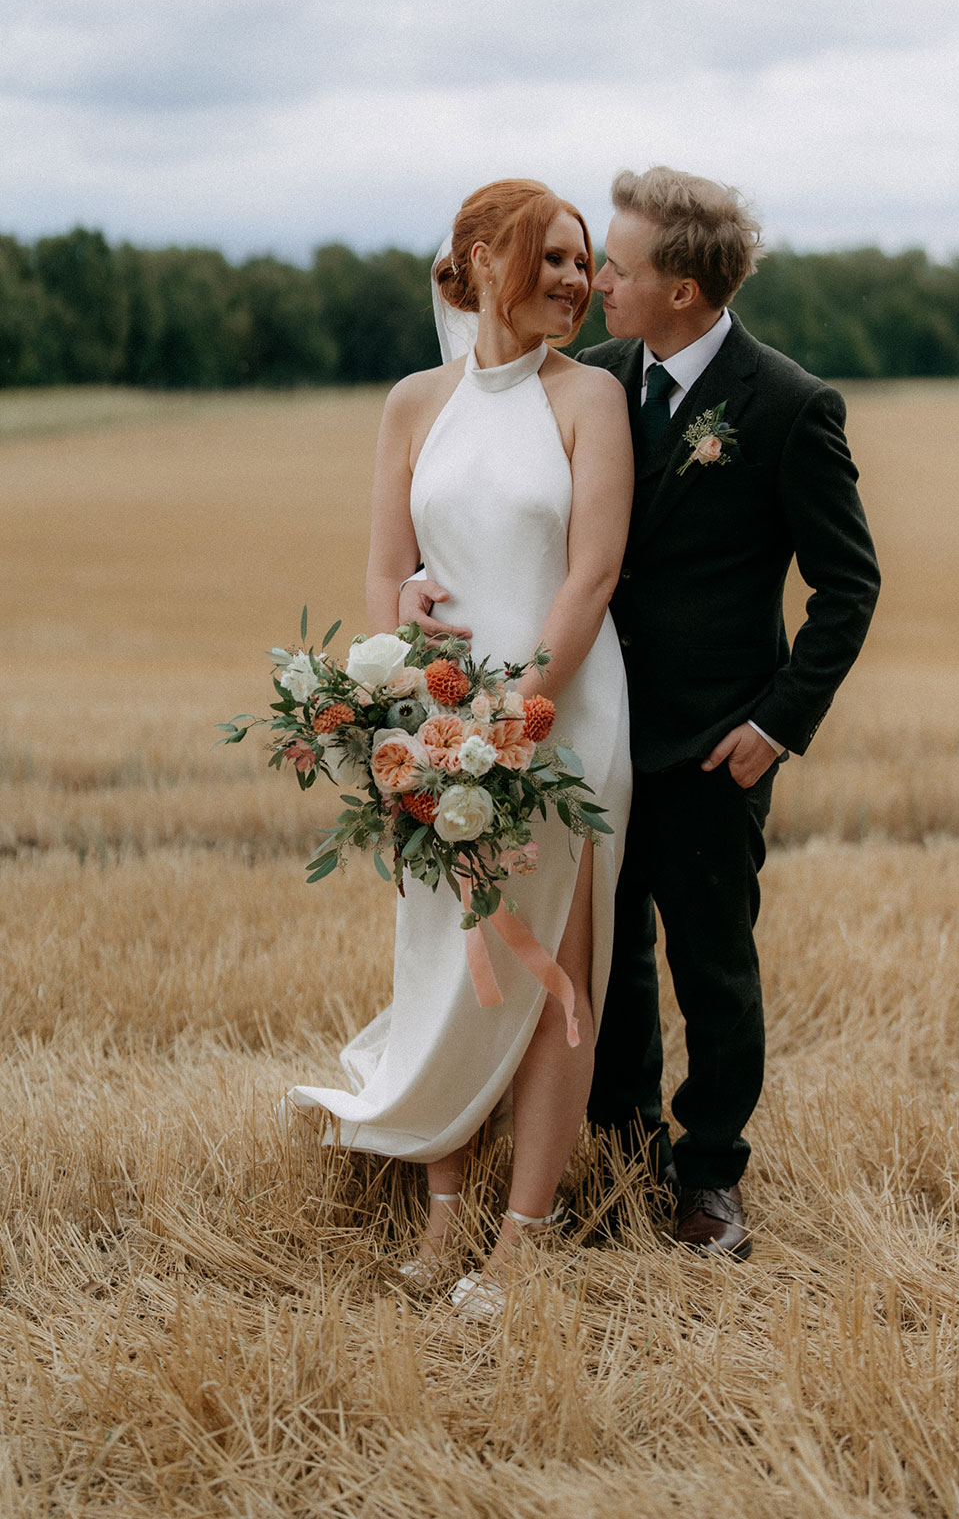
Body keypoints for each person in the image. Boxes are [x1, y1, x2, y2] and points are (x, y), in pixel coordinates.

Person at [287, 180, 633, 1315]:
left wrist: (524, 717)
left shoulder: (589, 400)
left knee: (553, 980)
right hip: (441, 722)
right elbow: (386, 575)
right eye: (555, 258)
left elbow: (589, 576)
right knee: (449, 962)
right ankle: (446, 1225)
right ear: (483, 259)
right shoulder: (412, 404)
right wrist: (405, 655)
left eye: (586, 264)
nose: (578, 281)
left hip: (564, 720)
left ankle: (523, 1241)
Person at [578, 166, 880, 1260]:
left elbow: (848, 588)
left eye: (621, 265)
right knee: (608, 968)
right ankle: (617, 1156)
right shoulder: (597, 381)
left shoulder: (790, 405)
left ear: (686, 293)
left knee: (714, 970)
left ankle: (709, 1178)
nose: (601, 281)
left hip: (719, 749)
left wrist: (778, 725)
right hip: (598, 736)